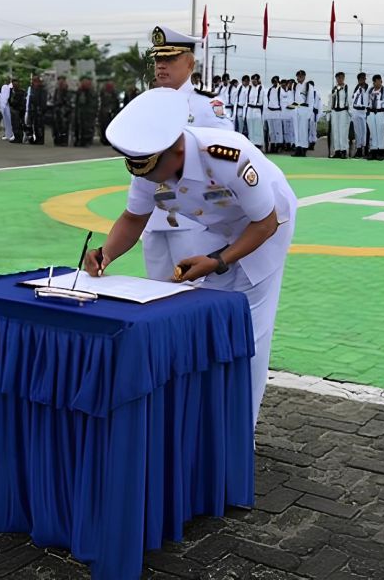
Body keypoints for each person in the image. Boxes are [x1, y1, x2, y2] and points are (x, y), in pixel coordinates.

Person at [86, 87, 296, 427]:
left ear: (179, 150)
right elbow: (133, 218)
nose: (150, 179)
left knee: (247, 327)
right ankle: (204, 419)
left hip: (266, 225)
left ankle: (242, 431)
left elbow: (265, 223)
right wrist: (105, 255)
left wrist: (218, 260)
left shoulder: (229, 155)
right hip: (218, 226)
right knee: (208, 317)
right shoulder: (149, 163)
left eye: (155, 171)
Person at [138, 25, 233, 282]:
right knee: (156, 290)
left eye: (169, 58)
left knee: (192, 290)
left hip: (192, 216)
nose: (161, 65)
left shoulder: (207, 105)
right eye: (158, 59)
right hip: (154, 214)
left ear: (189, 63)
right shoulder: (147, 103)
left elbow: (226, 155)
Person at [366, 74, 384, 160]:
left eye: (381, 81)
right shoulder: (370, 90)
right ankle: (373, 150)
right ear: (374, 82)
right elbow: (365, 100)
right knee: (373, 132)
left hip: (380, 112)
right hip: (371, 112)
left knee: (380, 132)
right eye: (378, 81)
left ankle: (381, 151)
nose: (380, 83)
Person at [329, 71, 350, 158]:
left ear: (343, 78)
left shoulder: (346, 87)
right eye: (337, 78)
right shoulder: (334, 88)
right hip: (335, 111)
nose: (339, 79)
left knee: (343, 131)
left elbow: (349, 100)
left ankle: (344, 150)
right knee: (335, 131)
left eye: (341, 77)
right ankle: (337, 150)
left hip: (343, 111)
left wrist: (349, 113)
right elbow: (331, 100)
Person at [74, 76, 98, 147]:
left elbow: (94, 103)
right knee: (79, 127)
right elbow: (77, 102)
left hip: (89, 113)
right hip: (81, 112)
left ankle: (87, 141)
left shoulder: (92, 92)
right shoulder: (79, 91)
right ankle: (80, 141)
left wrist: (93, 112)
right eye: (83, 82)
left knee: (88, 127)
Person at [350, 71, 370, 158]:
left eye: (364, 78)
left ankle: (365, 149)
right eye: (361, 79)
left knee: (364, 131)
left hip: (364, 111)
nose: (363, 80)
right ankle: (358, 149)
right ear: (358, 80)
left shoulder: (368, 88)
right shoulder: (356, 88)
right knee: (358, 132)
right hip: (356, 111)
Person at [25, 75, 48, 145]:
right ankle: (33, 139)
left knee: (39, 126)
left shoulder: (42, 90)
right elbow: (30, 100)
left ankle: (40, 140)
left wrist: (41, 110)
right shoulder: (32, 89)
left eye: (35, 81)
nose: (33, 82)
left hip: (39, 111)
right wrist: (29, 110)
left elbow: (43, 101)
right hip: (32, 111)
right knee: (32, 125)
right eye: (33, 81)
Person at [50, 77, 73, 146]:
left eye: (62, 82)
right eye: (59, 82)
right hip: (57, 113)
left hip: (65, 113)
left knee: (64, 128)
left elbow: (69, 103)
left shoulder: (68, 92)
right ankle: (57, 140)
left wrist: (65, 110)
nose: (61, 84)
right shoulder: (56, 91)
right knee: (56, 128)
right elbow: (54, 101)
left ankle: (64, 141)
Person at [0, 76, 14, 141]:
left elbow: (8, 97)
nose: (6, 81)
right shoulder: (5, 87)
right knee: (6, 121)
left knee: (11, 120)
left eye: (7, 79)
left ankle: (12, 134)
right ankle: (7, 134)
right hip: (5, 106)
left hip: (9, 106)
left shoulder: (11, 87)